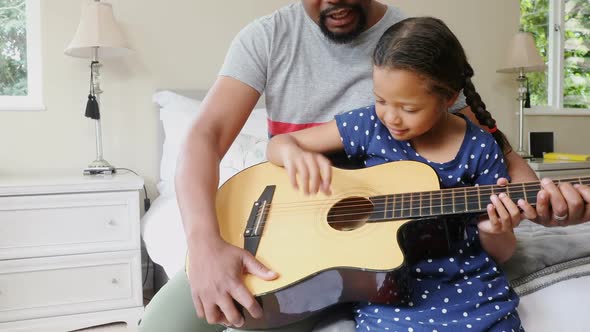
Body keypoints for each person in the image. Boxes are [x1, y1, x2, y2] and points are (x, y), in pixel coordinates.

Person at [139, 1, 590, 331]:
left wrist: (539, 201)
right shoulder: (269, 37)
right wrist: (203, 243)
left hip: (384, 257)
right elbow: (205, 137)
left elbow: (488, 143)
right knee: (165, 326)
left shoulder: (410, 40)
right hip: (282, 227)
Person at [266, 16, 524, 331]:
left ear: (448, 97)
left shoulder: (480, 148)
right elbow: (280, 144)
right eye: (380, 100)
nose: (391, 116)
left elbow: (503, 252)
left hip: (467, 283)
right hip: (390, 286)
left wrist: (494, 229)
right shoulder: (368, 126)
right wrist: (293, 154)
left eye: (409, 108)